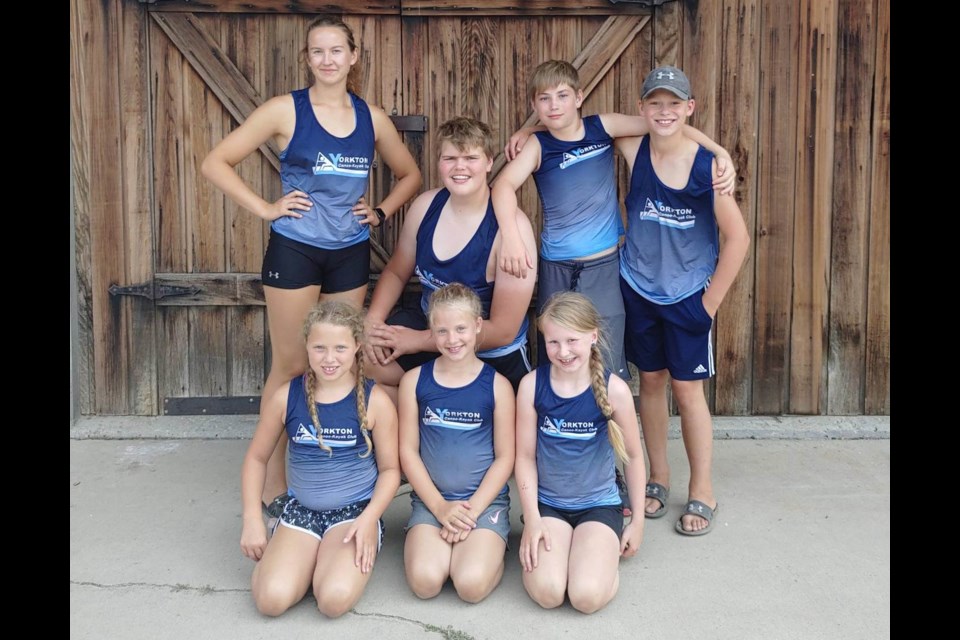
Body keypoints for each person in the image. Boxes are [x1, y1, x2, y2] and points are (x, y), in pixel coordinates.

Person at [201, 15, 421, 518]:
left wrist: (381, 210)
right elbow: (215, 161)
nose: (327, 60)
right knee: (293, 364)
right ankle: (273, 480)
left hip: (349, 252)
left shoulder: (371, 117)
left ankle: (339, 462)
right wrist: (266, 208)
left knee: (342, 357)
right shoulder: (285, 110)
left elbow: (410, 173)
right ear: (307, 58)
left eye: (336, 51)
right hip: (295, 250)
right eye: (317, 52)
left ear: (353, 56)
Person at [492, 59, 737, 383]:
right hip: (557, 266)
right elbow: (503, 186)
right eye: (544, 99)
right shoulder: (539, 145)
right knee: (558, 352)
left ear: (579, 97)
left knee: (605, 359)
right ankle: (564, 429)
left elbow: (662, 122)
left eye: (562, 96)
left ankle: (609, 429)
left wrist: (720, 152)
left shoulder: (603, 127)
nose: (554, 105)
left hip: (603, 265)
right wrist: (510, 236)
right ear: (534, 104)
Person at [616, 66, 750, 535]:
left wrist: (708, 304)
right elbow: (584, 120)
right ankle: (658, 477)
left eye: (675, 103)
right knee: (649, 383)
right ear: (642, 108)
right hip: (640, 287)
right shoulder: (633, 149)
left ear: (690, 107)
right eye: (655, 102)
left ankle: (702, 488)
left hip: (687, 295)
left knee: (688, 391)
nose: (664, 112)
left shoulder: (705, 167)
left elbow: (737, 238)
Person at [238, 300, 400, 618]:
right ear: (307, 347)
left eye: (340, 348)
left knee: (333, 600)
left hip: (353, 515)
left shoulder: (375, 401)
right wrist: (251, 519)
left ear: (356, 346)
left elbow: (391, 470)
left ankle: (323, 559)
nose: (329, 359)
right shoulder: (287, 397)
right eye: (319, 348)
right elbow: (256, 458)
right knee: (271, 601)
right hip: (302, 510)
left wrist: (369, 519)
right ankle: (289, 546)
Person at [363, 116, 537, 403]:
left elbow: (504, 331)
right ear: (439, 163)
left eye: (471, 157)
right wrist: (373, 320)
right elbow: (396, 272)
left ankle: (432, 408)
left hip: (486, 349)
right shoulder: (425, 206)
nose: (460, 167)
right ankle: (419, 418)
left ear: (489, 162)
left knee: (465, 406)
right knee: (365, 361)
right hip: (431, 327)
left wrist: (416, 341)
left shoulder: (511, 229)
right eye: (450, 158)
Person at [514, 291, 646, 614]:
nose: (563, 351)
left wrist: (638, 522)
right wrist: (531, 518)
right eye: (553, 342)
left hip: (599, 505)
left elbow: (634, 456)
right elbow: (524, 457)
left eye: (572, 340)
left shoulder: (615, 390)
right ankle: (565, 553)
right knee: (549, 592)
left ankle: (596, 564)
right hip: (549, 505)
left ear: (593, 336)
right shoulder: (532, 386)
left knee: (585, 597)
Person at [397, 283, 516, 603]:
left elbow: (506, 458)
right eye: (442, 330)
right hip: (431, 501)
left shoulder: (498, 386)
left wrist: (471, 511)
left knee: (470, 586)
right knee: (425, 583)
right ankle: (443, 540)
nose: (452, 339)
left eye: (461, 328)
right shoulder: (414, 382)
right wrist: (438, 506)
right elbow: (407, 451)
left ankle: (491, 553)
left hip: (483, 503)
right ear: (431, 331)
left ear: (478, 326)